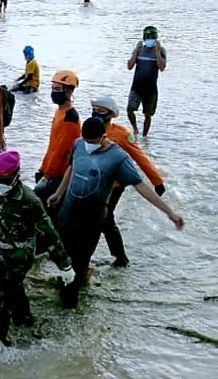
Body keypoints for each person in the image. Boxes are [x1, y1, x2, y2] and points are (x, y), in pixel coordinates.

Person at [48, 117, 184, 308]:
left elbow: (140, 186)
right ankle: (69, 287)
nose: (88, 145)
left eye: (93, 142)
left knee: (79, 263)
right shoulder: (79, 144)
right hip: (68, 212)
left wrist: (169, 212)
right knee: (63, 257)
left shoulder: (118, 158)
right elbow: (72, 168)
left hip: (92, 219)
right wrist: (58, 192)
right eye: (86, 141)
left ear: (104, 137)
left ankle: (69, 308)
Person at [0, 151, 74, 346]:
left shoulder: (29, 201)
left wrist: (64, 265)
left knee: (1, 299)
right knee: (15, 289)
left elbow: (49, 233)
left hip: (20, 256)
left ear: (16, 175)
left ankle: (1, 345)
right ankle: (24, 319)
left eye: (4, 179)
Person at [91, 96, 166, 267]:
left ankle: (120, 257)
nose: (96, 113)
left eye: (101, 111)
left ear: (111, 114)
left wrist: (157, 181)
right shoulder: (89, 129)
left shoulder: (122, 134)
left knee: (106, 218)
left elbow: (140, 156)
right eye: (94, 109)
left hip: (114, 185)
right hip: (92, 182)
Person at [34, 70, 81, 222]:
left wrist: (48, 176)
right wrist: (43, 168)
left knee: (46, 215)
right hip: (49, 170)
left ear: (68, 92)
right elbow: (52, 146)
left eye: (58, 90)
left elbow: (62, 152)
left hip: (58, 175)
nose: (54, 93)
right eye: (53, 89)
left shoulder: (70, 118)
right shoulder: (60, 112)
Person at [127, 26, 167, 137]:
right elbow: (129, 66)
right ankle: (135, 129)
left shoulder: (161, 50)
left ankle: (145, 136)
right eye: (148, 37)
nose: (150, 40)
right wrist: (135, 52)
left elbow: (162, 67)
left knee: (148, 114)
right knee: (130, 109)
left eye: (152, 38)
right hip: (137, 86)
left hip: (151, 89)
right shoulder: (140, 50)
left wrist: (158, 51)